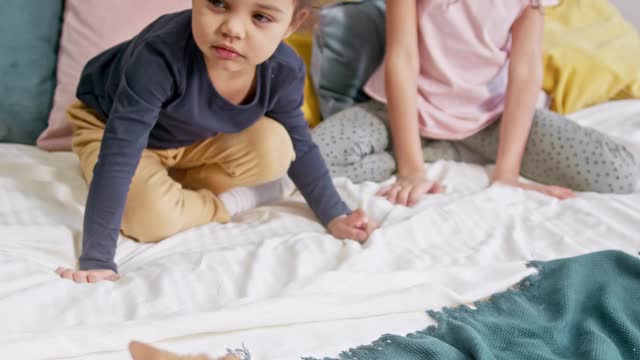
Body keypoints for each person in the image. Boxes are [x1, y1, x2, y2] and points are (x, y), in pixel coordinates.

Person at [56, 0, 377, 284]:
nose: (233, 28)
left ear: (291, 24)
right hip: (110, 125)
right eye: (219, 2)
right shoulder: (159, 55)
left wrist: (335, 214)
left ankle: (175, 190)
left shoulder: (283, 70)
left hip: (194, 138)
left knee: (278, 148)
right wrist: (97, 260)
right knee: (149, 218)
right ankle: (229, 202)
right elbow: (119, 154)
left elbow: (301, 146)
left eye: (261, 17)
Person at [312, 0, 638, 206]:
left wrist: (506, 173)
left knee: (619, 176)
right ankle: (426, 151)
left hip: (488, 118)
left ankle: (446, 151)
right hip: (401, 109)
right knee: (310, 161)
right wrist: (411, 169)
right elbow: (402, 57)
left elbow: (525, 71)